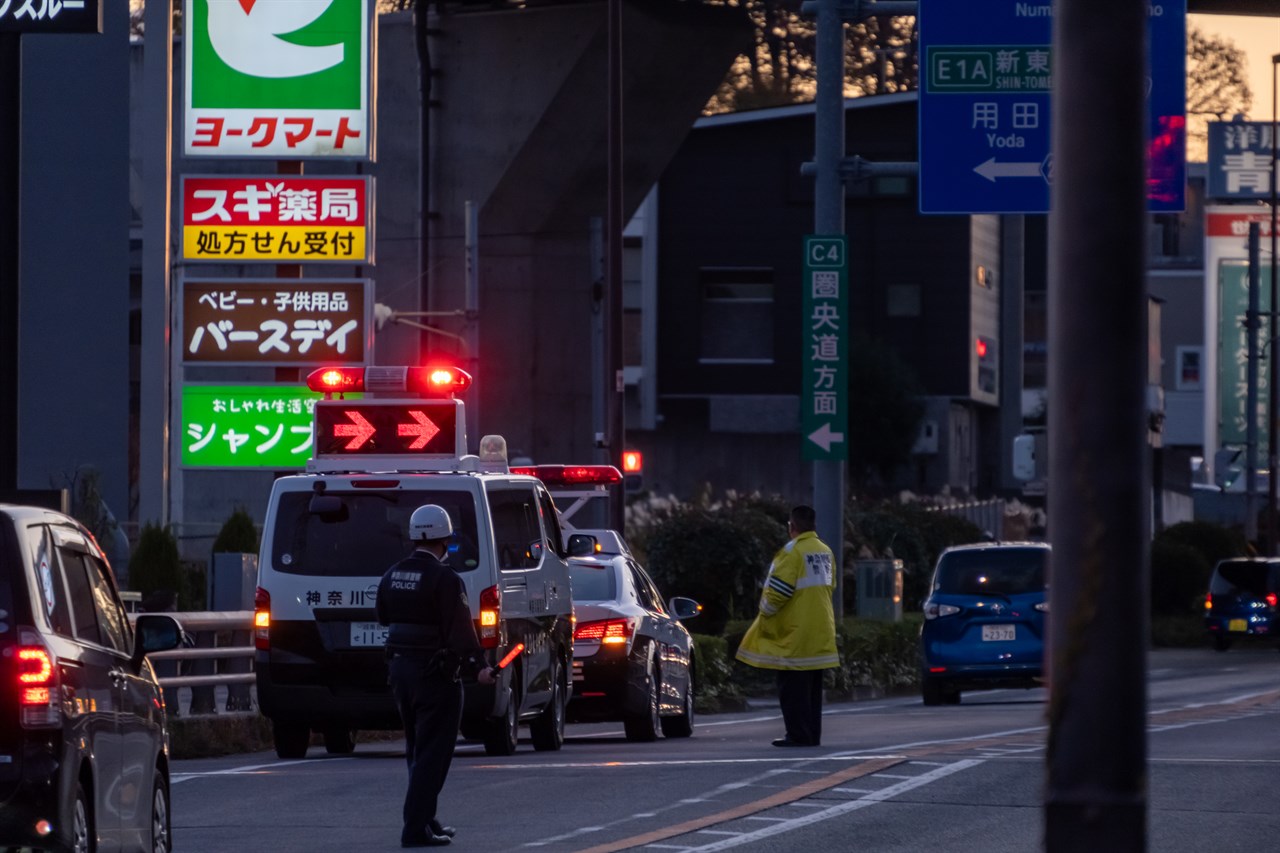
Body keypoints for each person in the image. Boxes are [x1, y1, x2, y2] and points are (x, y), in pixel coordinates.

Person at [377, 504, 496, 848]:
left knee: (416, 747)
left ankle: (426, 818)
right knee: (434, 753)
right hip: (435, 674)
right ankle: (415, 828)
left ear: (414, 537)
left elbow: (382, 615)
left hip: (400, 671)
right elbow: (461, 632)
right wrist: (479, 667)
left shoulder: (392, 575)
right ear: (445, 539)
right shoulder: (446, 579)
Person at [735, 505, 839, 747]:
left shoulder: (792, 552)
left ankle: (798, 735)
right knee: (812, 691)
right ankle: (811, 734)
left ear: (791, 526)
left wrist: (765, 612)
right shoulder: (825, 551)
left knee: (792, 689)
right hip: (821, 630)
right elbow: (831, 585)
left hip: (794, 633)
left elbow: (778, 592)